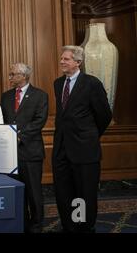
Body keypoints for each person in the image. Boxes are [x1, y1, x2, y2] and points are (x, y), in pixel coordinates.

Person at [53, 46, 112, 233]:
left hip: (85, 150)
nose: (62, 61)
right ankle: (69, 226)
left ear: (78, 62)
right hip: (61, 148)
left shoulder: (92, 83)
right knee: (64, 191)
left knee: (84, 192)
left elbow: (104, 115)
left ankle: (84, 227)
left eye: (66, 59)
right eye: (61, 58)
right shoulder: (57, 83)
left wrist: (90, 135)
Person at [0, 63, 48, 233]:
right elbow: (2, 121)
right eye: (10, 74)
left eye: (13, 74)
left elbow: (39, 121)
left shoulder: (40, 95)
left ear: (24, 76)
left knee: (34, 193)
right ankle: (21, 224)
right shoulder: (5, 96)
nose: (10, 77)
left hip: (30, 152)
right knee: (16, 192)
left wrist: (19, 135)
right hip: (10, 155)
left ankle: (36, 226)